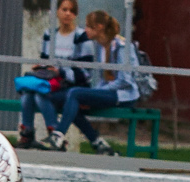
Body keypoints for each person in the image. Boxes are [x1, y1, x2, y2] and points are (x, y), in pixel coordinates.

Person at [46, 10, 152, 156]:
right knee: (63, 98)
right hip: (110, 92)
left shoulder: (122, 47)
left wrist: (100, 92)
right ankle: (97, 142)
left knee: (74, 93)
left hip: (124, 96)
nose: (86, 30)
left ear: (99, 27)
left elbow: (125, 80)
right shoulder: (101, 47)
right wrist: (95, 93)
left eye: (89, 26)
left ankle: (58, 135)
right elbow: (105, 78)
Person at [16, 0, 98, 150]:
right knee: (28, 92)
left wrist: (61, 72)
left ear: (75, 15)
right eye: (64, 9)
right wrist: (41, 67)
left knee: (41, 95)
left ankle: (55, 134)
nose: (67, 14)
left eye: (71, 11)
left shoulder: (81, 37)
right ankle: (27, 133)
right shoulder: (50, 34)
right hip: (52, 81)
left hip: (71, 85)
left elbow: (86, 73)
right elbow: (45, 60)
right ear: (57, 12)